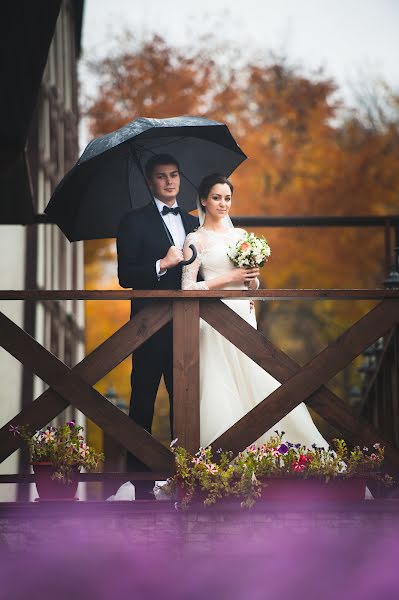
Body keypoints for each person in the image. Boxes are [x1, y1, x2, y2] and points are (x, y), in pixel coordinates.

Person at [181, 173, 329, 449]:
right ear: (203, 200)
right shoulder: (195, 239)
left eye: (227, 198)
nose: (223, 204)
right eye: (216, 198)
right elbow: (188, 288)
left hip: (244, 314)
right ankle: (221, 457)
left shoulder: (240, 235)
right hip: (215, 319)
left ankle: (275, 450)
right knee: (220, 383)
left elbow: (253, 286)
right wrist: (229, 278)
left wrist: (251, 278)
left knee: (257, 379)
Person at [117, 153, 198, 498]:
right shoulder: (132, 222)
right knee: (143, 402)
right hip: (148, 327)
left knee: (187, 403)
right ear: (150, 182)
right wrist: (161, 264)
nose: (169, 181)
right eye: (162, 176)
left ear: (180, 178)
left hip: (188, 327)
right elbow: (125, 276)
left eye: (174, 175)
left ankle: (188, 479)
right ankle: (140, 486)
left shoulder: (195, 223)